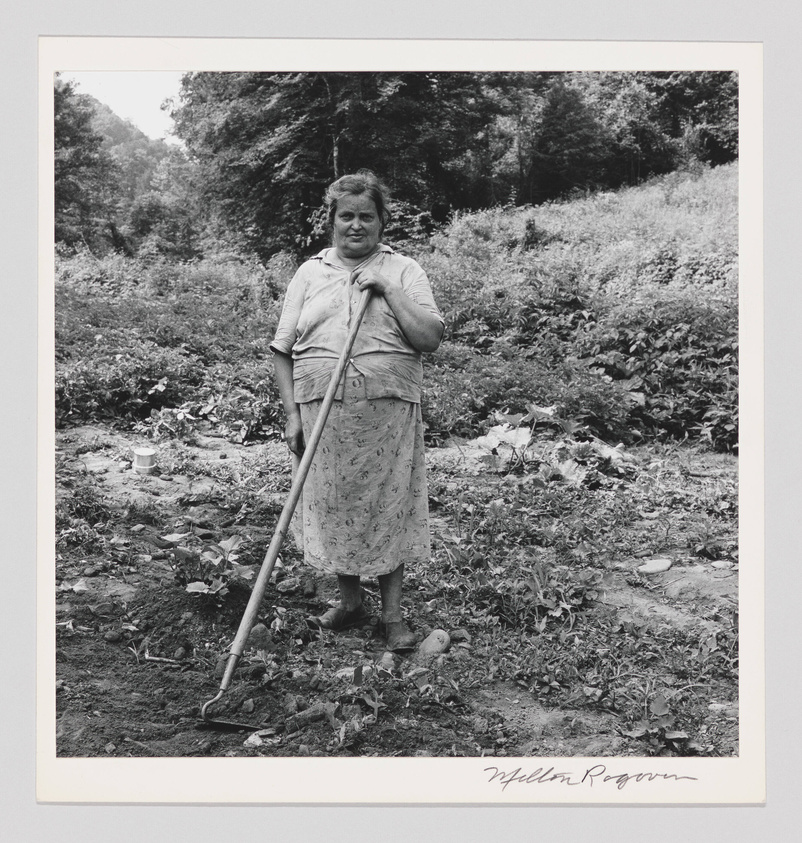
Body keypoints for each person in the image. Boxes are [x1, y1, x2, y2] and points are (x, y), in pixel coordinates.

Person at [270, 171, 444, 651]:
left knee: (389, 505)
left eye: (366, 216)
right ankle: (350, 603)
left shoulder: (404, 270)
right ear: (331, 221)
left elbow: (429, 337)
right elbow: (282, 349)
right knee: (333, 504)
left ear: (382, 221)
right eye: (346, 215)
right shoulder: (310, 273)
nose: (356, 225)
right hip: (319, 410)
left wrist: (386, 287)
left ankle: (392, 617)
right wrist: (292, 415)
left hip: (386, 412)